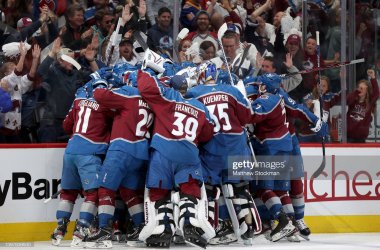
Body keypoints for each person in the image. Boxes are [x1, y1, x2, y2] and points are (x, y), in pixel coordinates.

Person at [136, 51, 215, 248]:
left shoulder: (168, 96)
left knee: (159, 193)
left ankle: (163, 231)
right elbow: (207, 135)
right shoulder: (199, 106)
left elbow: (146, 87)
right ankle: (189, 225)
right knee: (190, 190)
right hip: (188, 154)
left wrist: (146, 67)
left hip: (163, 152)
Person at [185, 62, 260, 245]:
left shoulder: (194, 93)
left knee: (210, 189)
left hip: (212, 147)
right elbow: (248, 117)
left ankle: (212, 228)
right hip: (238, 145)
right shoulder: (231, 90)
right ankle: (248, 228)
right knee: (240, 189)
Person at [83, 69, 153, 248]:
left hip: (122, 149)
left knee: (105, 189)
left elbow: (100, 95)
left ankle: (105, 229)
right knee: (129, 192)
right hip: (141, 153)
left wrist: (99, 80)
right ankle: (140, 226)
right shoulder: (151, 99)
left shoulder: (128, 93)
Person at [50, 80, 114, 247]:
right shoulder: (107, 105)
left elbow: (66, 126)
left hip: (70, 151)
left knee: (68, 192)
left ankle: (59, 228)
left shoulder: (78, 99)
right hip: (90, 153)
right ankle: (82, 228)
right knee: (93, 193)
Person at [37, 38, 98, 143]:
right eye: (70, 60)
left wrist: (91, 60)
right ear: (60, 60)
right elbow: (40, 71)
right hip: (51, 122)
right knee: (45, 153)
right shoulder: (53, 72)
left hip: (70, 121)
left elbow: (98, 76)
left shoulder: (77, 74)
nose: (72, 62)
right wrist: (52, 53)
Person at [0, 42, 40, 143]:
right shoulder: (4, 81)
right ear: (5, 73)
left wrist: (35, 59)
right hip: (3, 128)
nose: (15, 68)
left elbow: (31, 75)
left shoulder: (19, 82)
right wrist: (22, 56)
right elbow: (17, 72)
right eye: (11, 68)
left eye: (15, 66)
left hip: (15, 129)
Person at [299, 75, 341, 142]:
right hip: (307, 134)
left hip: (322, 134)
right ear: (316, 86)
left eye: (324, 86)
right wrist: (306, 107)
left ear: (327, 88)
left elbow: (342, 94)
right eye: (320, 85)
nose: (321, 88)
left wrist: (342, 78)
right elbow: (299, 112)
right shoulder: (308, 97)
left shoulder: (329, 97)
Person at [346, 69, 379, 143]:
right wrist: (357, 91)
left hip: (360, 138)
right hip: (348, 137)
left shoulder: (369, 102)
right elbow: (347, 100)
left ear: (367, 91)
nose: (360, 89)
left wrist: (373, 78)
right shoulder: (354, 100)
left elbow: (376, 94)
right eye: (358, 87)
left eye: (362, 88)